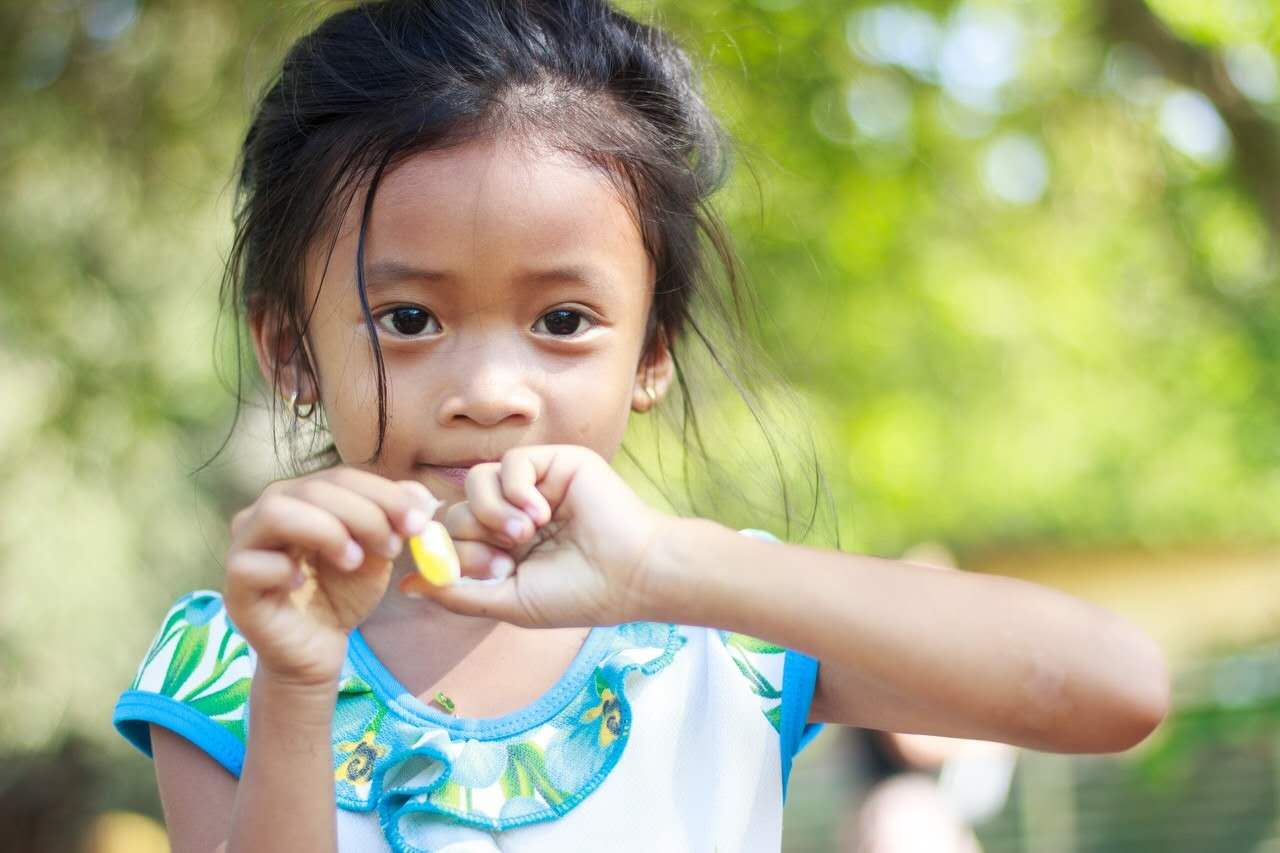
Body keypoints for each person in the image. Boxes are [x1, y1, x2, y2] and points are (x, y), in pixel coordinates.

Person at [111, 2, 1170, 851]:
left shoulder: (729, 630)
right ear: (291, 350)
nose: (491, 392)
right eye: (410, 319)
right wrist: (296, 687)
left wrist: (670, 567)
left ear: (652, 351)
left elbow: (1114, 688)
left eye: (563, 321)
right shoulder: (236, 652)